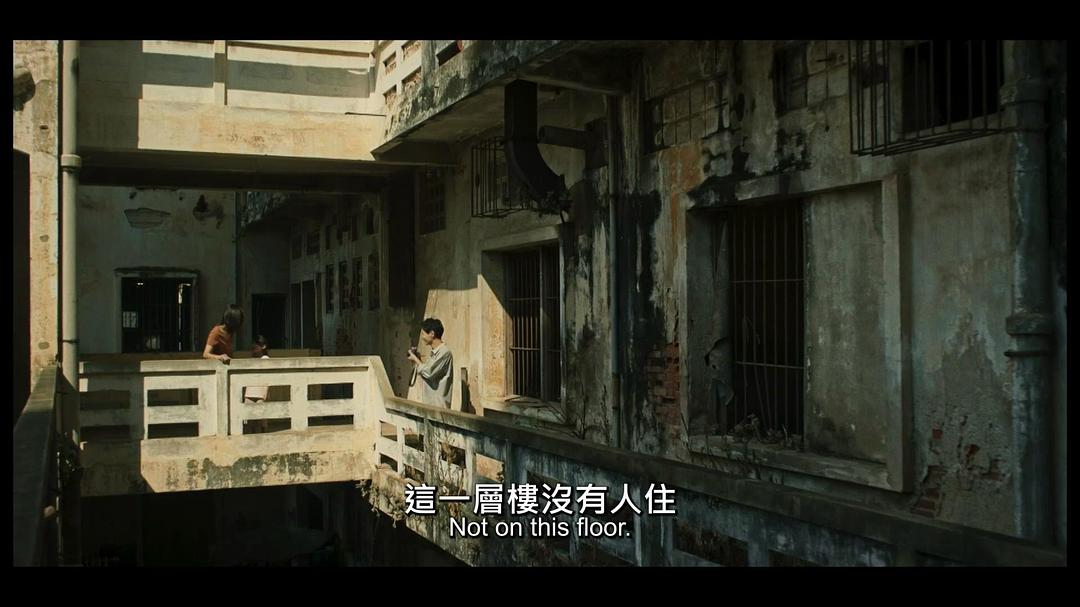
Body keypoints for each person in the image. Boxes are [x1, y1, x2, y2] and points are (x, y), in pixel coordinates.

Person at [407, 318, 453, 408]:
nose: (422, 337)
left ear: (432, 334)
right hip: (430, 405)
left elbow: (428, 373)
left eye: (423, 334)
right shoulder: (435, 353)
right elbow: (428, 371)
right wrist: (417, 359)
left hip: (439, 407)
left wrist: (415, 359)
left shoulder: (444, 353)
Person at [243, 335, 271, 434]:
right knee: (249, 421)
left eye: (257, 345)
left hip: (260, 393)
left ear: (263, 346)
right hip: (249, 392)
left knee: (261, 420)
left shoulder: (265, 359)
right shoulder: (251, 360)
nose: (254, 347)